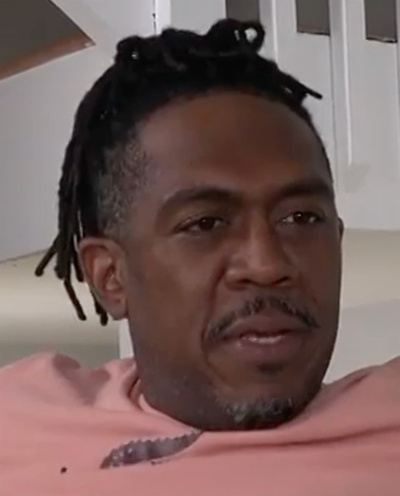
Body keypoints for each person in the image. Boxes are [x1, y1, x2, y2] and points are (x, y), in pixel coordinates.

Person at [1, 19, 399, 495]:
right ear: (111, 276)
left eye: (301, 217)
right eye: (205, 224)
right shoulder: (20, 421)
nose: (267, 265)